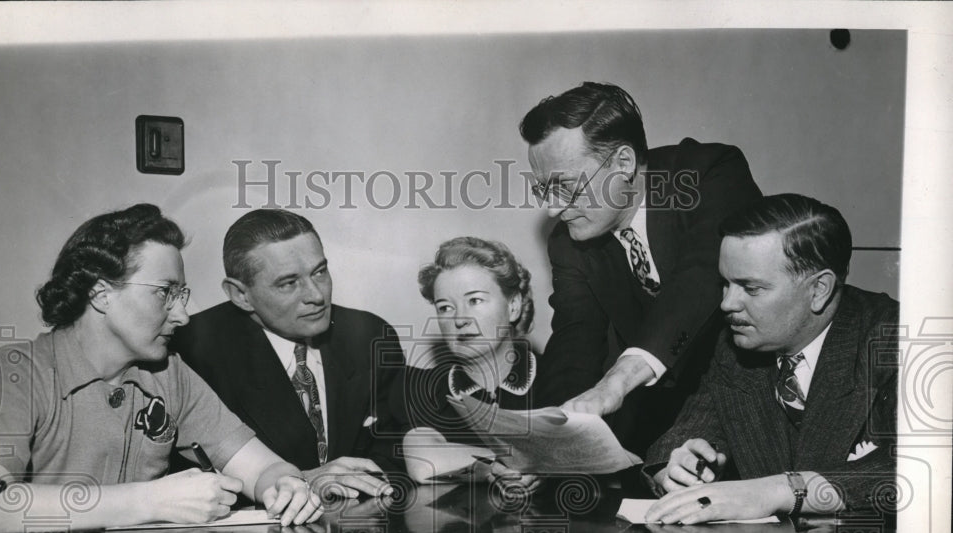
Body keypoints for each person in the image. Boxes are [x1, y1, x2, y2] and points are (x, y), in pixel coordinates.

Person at [0, 204, 320, 533]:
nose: (183, 316)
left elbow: (260, 467)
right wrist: (148, 501)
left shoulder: (168, 374)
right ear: (101, 294)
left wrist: (285, 486)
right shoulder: (16, 373)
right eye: (165, 293)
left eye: (181, 295)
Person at [520, 81, 762, 454]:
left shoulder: (706, 174)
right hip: (653, 431)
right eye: (543, 190)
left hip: (748, 412)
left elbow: (700, 278)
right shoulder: (567, 241)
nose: (553, 209)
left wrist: (616, 382)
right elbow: (575, 340)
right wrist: (549, 440)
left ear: (623, 163)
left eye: (565, 186)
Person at [643, 194, 898, 524]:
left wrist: (778, 491)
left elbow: (925, 470)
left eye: (750, 288)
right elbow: (687, 436)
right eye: (725, 284)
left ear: (819, 289)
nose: (727, 304)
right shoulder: (735, 345)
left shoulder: (897, 339)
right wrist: (675, 466)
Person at [171, 209, 404, 500]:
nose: (316, 295)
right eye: (289, 283)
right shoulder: (188, 350)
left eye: (320, 272)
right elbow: (184, 481)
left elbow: (397, 450)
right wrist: (301, 481)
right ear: (240, 295)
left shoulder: (369, 335)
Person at [397, 237, 542, 495]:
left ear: (513, 306)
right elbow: (423, 464)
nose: (460, 319)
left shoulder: (556, 377)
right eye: (445, 307)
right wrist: (506, 464)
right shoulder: (426, 387)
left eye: (474, 300)